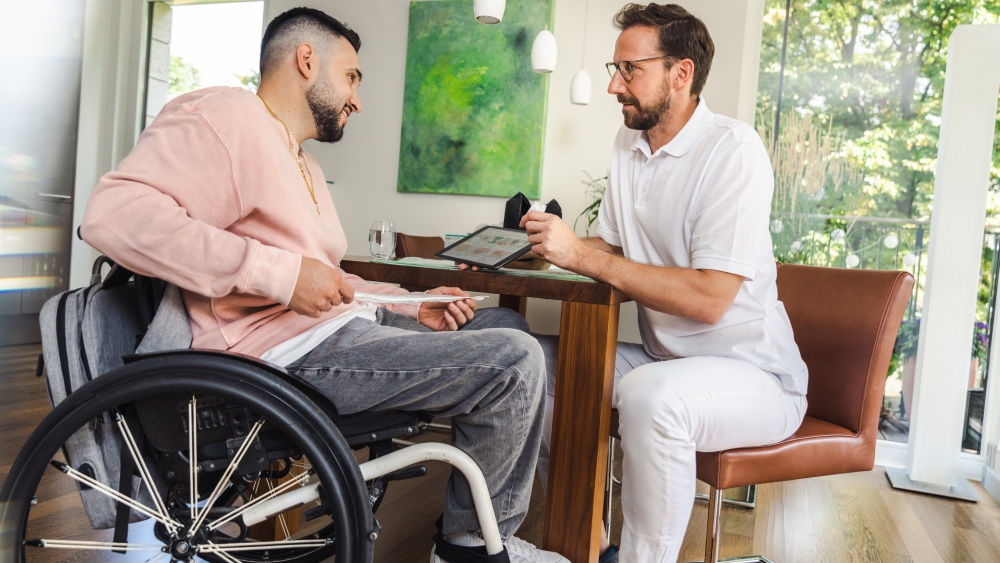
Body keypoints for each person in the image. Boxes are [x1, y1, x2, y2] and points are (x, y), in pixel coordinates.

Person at [79, 7, 567, 563]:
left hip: (333, 331)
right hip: (281, 357)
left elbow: (330, 280)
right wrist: (281, 277)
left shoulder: (303, 164)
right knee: (513, 361)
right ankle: (471, 548)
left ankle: (483, 525)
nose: (357, 98)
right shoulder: (225, 116)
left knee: (505, 324)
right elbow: (113, 216)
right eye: (352, 77)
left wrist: (413, 308)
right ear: (307, 61)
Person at [521, 4, 809, 562]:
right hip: (665, 358)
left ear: (681, 74)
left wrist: (585, 256)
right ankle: (581, 538)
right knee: (522, 361)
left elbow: (709, 298)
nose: (613, 85)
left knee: (652, 399)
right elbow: (612, 249)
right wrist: (536, 251)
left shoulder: (733, 152)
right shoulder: (628, 144)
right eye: (615, 67)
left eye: (630, 70)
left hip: (756, 376)